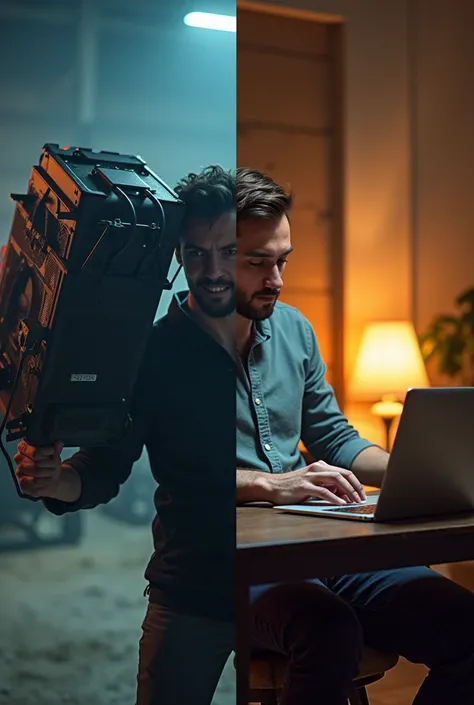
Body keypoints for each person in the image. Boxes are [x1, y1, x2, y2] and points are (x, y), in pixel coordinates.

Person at [235, 167, 474, 705]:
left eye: (282, 261)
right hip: (229, 561)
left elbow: (334, 437)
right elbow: (180, 476)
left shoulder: (294, 329)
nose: (275, 279)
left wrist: (416, 471)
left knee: (465, 623)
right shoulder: (173, 349)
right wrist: (273, 485)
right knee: (327, 630)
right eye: (257, 263)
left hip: (319, 550)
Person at [13, 166, 237, 705]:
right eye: (195, 254)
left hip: (281, 578)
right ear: (176, 256)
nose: (211, 270)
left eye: (228, 251)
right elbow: (104, 468)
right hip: (191, 592)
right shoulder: (153, 352)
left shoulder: (287, 334)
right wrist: (54, 480)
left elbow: (327, 438)